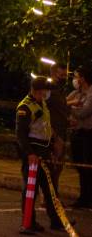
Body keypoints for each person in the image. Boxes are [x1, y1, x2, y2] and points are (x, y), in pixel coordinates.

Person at [17, 75, 64, 233]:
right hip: (33, 153)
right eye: (44, 91)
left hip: (44, 151)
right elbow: (21, 135)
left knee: (50, 188)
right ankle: (28, 222)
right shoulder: (25, 107)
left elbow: (45, 127)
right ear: (36, 90)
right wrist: (29, 154)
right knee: (31, 190)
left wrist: (54, 143)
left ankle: (56, 221)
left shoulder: (41, 103)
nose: (46, 94)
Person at [69, 66, 92, 209]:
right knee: (79, 165)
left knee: (87, 165)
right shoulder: (76, 93)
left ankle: (88, 197)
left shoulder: (91, 93)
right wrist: (73, 104)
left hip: (88, 133)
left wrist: (71, 108)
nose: (75, 79)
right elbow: (62, 103)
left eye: (77, 76)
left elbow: (84, 112)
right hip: (76, 132)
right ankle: (83, 197)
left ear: (83, 78)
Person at [47, 62, 70, 192]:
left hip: (62, 131)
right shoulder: (48, 91)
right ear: (54, 74)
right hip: (52, 133)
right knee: (52, 167)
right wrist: (53, 135)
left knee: (58, 167)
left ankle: (53, 196)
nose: (64, 78)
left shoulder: (60, 91)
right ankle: (50, 197)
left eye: (65, 75)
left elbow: (61, 110)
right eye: (61, 75)